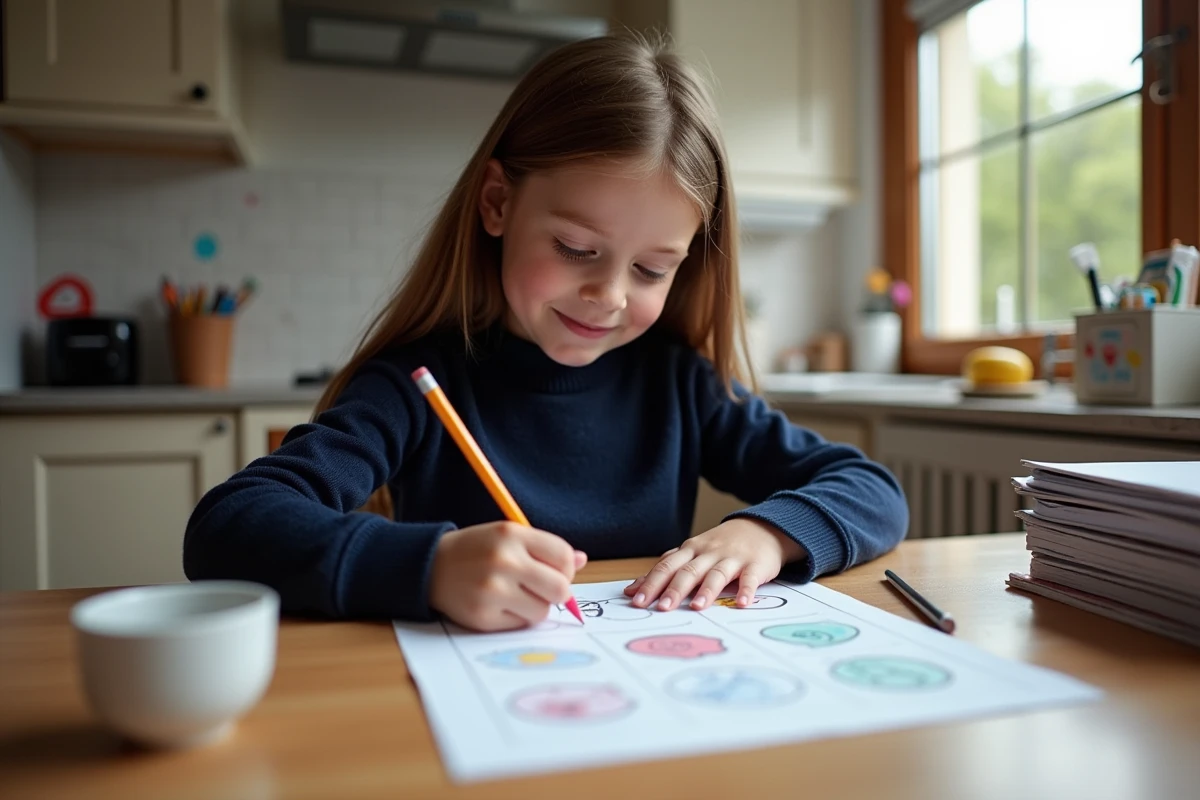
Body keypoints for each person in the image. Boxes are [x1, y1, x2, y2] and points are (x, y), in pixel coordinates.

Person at [183, 34, 908, 631]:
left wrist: (767, 532)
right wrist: (429, 568)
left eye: (654, 270)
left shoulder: (681, 385)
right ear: (498, 202)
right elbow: (229, 528)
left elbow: (872, 489)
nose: (610, 296)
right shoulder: (416, 385)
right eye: (575, 250)